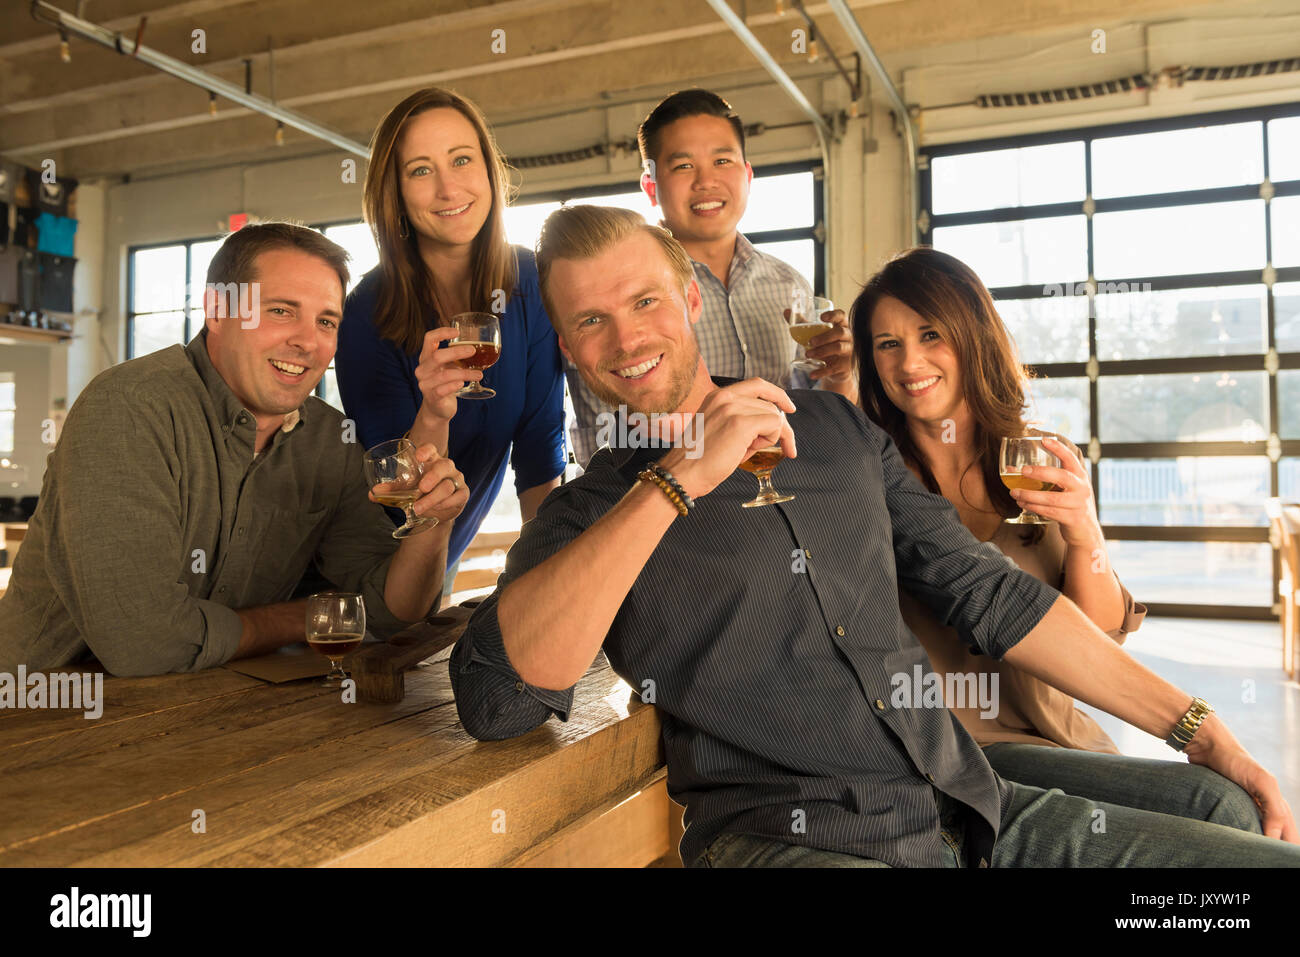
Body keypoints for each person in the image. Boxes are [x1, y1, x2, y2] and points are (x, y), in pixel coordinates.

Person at [449, 204, 1300, 868]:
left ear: (690, 299)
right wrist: (678, 479)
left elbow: (992, 593)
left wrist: (1201, 728)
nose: (626, 337)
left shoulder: (836, 428)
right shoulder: (589, 511)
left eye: (643, 301)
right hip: (794, 840)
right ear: (566, 347)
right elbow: (499, 698)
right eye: (590, 321)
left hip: (966, 802)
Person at [853, 246, 1263, 833]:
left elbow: (1098, 638)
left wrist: (1083, 531)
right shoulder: (869, 477)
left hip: (1059, 737)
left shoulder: (1034, 462)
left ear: (975, 338)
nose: (910, 360)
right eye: (887, 344)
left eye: (931, 334)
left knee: (1225, 804)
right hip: (957, 750)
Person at [0, 223, 466, 677]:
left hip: (204, 718)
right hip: (37, 718)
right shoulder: (129, 408)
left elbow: (387, 612)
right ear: (218, 310)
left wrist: (433, 521)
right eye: (282, 311)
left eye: (326, 321)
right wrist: (303, 618)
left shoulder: (330, 439)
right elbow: (144, 644)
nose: (308, 341)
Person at [336, 87, 566, 596]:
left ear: (488, 169)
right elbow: (397, 489)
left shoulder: (530, 279)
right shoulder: (366, 311)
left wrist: (547, 580)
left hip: (445, 559)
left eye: (462, 160)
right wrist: (435, 410)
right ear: (394, 191)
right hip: (372, 567)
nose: (448, 188)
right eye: (420, 170)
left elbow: (539, 450)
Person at [565, 89, 857, 467]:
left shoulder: (789, 283)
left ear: (748, 175)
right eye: (683, 166)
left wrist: (840, 374)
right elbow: (603, 441)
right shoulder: (621, 296)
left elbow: (818, 417)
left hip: (786, 490)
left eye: (722, 160)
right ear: (651, 186)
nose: (706, 181)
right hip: (675, 502)